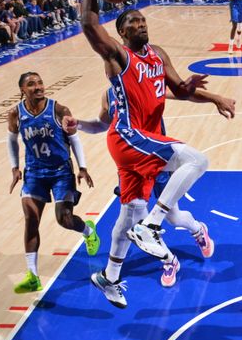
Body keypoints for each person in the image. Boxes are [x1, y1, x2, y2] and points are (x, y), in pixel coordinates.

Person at [80, 0, 236, 308]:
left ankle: (110, 277)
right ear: (121, 33)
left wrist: (210, 97)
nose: (140, 24)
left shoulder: (158, 55)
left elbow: (179, 90)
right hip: (128, 137)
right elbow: (90, 25)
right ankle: (151, 226)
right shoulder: (117, 56)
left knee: (126, 215)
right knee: (198, 160)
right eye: (132, 22)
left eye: (142, 19)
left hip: (144, 143)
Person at [72, 87, 214, 288]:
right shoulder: (108, 95)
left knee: (173, 218)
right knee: (136, 221)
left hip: (158, 161)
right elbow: (101, 125)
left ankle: (198, 230)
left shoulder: (144, 83)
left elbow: (183, 92)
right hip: (133, 167)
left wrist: (215, 98)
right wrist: (78, 124)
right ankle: (168, 260)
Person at [7, 71, 100, 293]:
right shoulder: (15, 114)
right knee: (31, 218)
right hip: (34, 173)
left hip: (61, 172)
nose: (38, 87)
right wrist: (15, 168)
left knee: (64, 219)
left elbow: (74, 138)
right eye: (31, 84)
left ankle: (87, 230)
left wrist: (83, 168)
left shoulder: (59, 110)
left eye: (40, 82)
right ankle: (33, 276)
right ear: (22, 90)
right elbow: (11, 140)